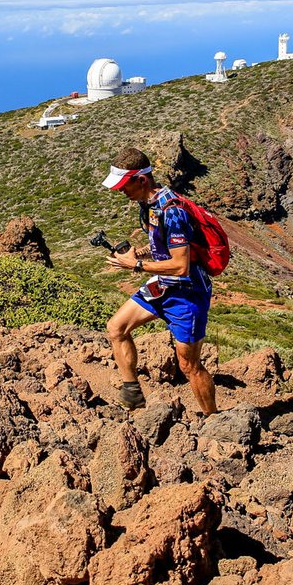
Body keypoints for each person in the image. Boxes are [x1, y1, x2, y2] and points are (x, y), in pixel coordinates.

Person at [101, 147, 217, 415]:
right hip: (162, 285)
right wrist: (137, 253)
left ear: (141, 180)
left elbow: (180, 264)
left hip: (188, 293)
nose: (120, 191)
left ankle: (213, 419)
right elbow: (161, 245)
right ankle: (132, 393)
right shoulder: (149, 205)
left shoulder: (171, 211)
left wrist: (136, 264)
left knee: (189, 365)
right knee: (116, 328)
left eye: (124, 185)